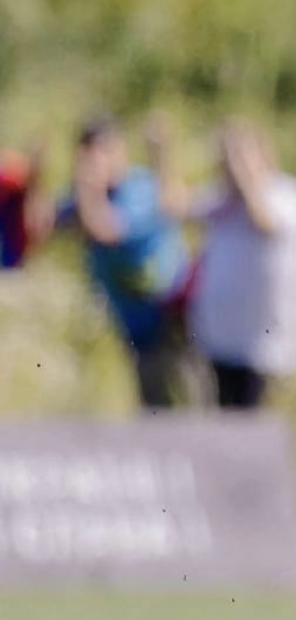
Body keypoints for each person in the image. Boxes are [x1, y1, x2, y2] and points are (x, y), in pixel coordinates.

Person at [58, 115, 196, 409]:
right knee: (151, 408)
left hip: (168, 324)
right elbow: (44, 226)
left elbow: (107, 230)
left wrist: (88, 189)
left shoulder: (141, 188)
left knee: (184, 407)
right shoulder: (88, 196)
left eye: (104, 152)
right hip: (129, 327)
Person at [187, 119, 296, 409]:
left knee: (256, 420)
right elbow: (179, 208)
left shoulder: (287, 195)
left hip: (265, 344)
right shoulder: (221, 196)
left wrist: (245, 177)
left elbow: (264, 221)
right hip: (220, 337)